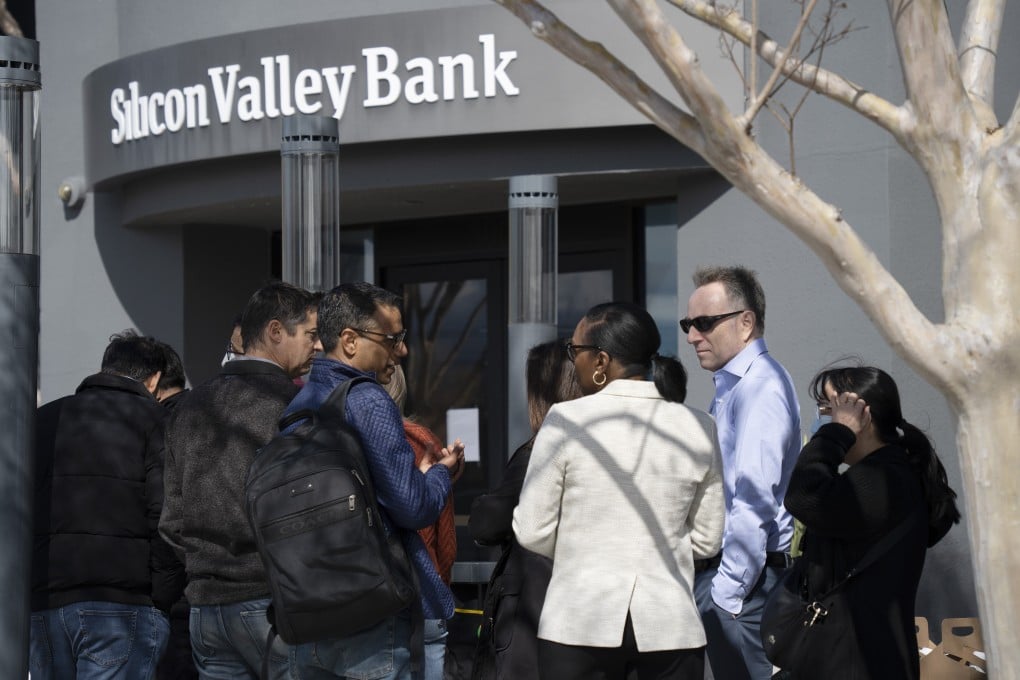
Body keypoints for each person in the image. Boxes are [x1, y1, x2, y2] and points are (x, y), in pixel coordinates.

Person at [513, 302, 725, 680]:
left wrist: (584, 549)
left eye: (574, 351)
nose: (571, 360)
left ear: (601, 361)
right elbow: (708, 541)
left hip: (578, 621)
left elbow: (532, 529)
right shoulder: (699, 425)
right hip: (670, 624)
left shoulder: (565, 421)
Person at [281, 281, 465, 680]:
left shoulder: (299, 406)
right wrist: (438, 476)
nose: (402, 351)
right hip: (378, 612)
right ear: (349, 340)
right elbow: (413, 508)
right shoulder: (366, 398)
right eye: (392, 338)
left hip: (311, 607)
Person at [159, 282, 321, 680]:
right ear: (276, 331)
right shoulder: (295, 406)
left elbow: (171, 521)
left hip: (206, 608)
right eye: (312, 335)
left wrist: (205, 563)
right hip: (273, 603)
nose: (317, 347)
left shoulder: (189, 406)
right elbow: (315, 509)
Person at [782, 366, 960, 679]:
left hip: (856, 663)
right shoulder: (888, 474)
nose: (822, 419)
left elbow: (803, 497)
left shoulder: (883, 481)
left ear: (862, 417)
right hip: (861, 657)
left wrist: (836, 434)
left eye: (828, 409)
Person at [30, 331, 182, 680]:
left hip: (46, 603)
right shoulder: (156, 422)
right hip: (122, 604)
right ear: (155, 379)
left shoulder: (44, 419)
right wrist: (161, 597)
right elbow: (166, 515)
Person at [683, 265, 801, 680]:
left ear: (745, 322)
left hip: (748, 587)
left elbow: (753, 503)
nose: (693, 336)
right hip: (745, 582)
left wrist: (725, 597)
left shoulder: (760, 388)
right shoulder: (737, 385)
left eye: (705, 323)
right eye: (688, 324)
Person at [468, 339, 582, 680]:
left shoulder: (539, 454)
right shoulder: (601, 447)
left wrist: (477, 501)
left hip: (532, 616)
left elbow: (488, 524)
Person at [383, 365, 459, 680]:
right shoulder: (421, 441)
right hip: (425, 593)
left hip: (373, 603)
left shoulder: (340, 441)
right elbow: (445, 541)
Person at [153, 341, 198, 680]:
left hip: (173, 596)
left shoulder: (156, 426)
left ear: (152, 383)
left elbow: (164, 519)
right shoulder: (206, 414)